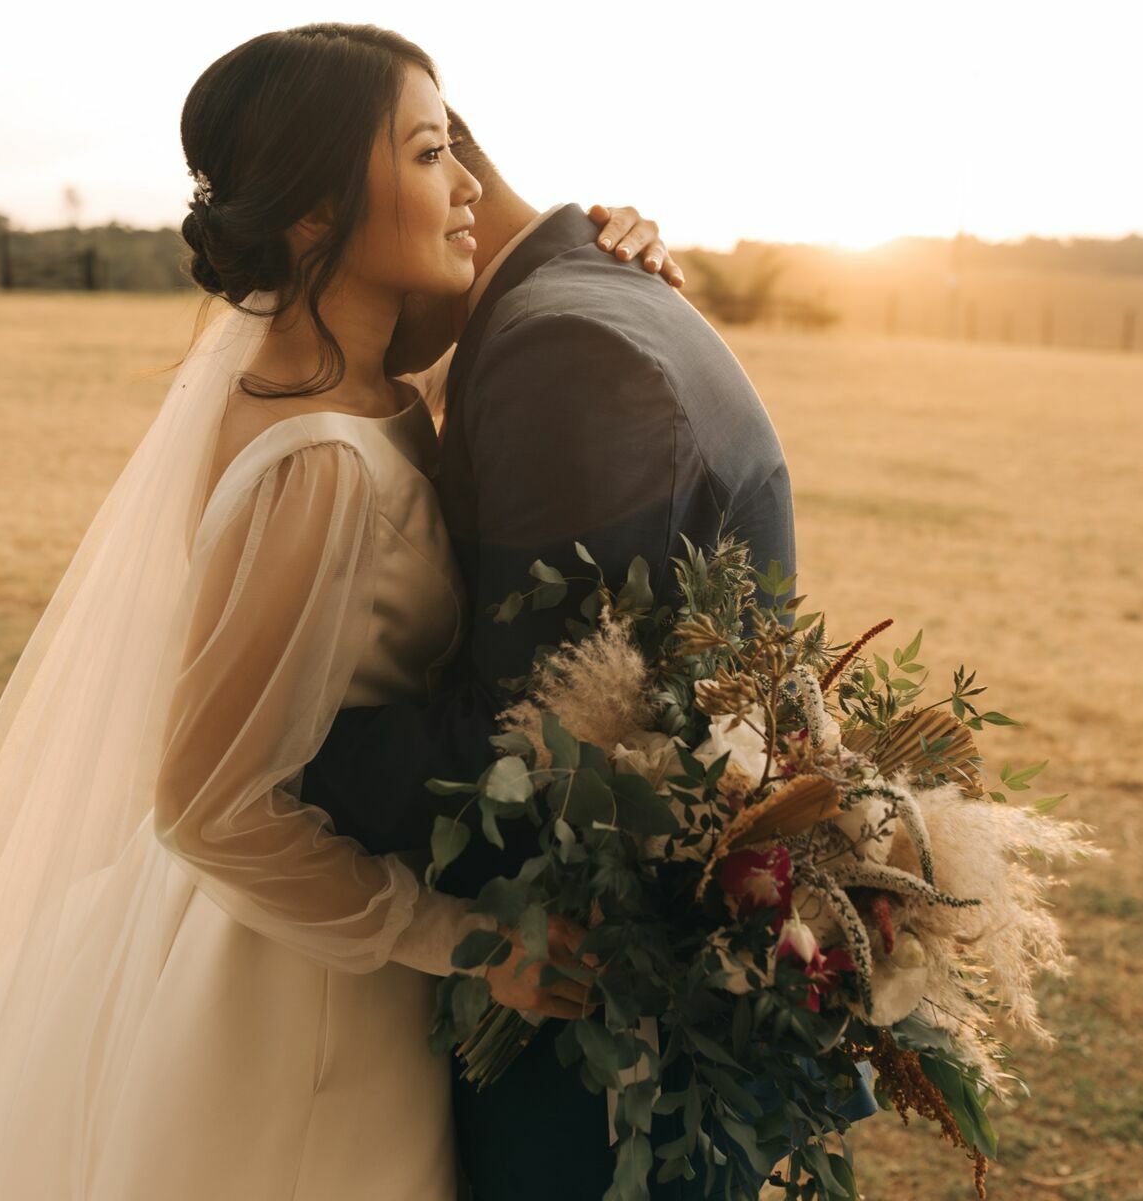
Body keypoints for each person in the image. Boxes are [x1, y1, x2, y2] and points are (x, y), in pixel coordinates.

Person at [0, 22, 677, 1200]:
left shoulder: (359, 385)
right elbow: (208, 807)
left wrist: (605, 246)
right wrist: (469, 940)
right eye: (429, 154)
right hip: (290, 1005)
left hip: (302, 953)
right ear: (310, 215)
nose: (466, 188)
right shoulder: (317, 462)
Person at [294, 109, 880, 1198]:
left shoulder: (559, 345)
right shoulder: (593, 293)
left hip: (607, 1015)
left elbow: (541, 740)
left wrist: (284, 756)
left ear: (438, 180)